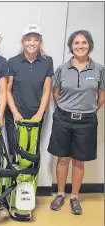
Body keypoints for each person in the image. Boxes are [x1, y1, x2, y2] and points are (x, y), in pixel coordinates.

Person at [48, 30, 104, 215]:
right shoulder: (62, 69)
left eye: (84, 43)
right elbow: (56, 93)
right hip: (63, 119)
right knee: (63, 159)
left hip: (86, 121)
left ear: (89, 45)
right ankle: (60, 194)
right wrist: (66, 107)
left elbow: (101, 96)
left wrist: (89, 110)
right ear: (71, 46)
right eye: (76, 43)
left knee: (79, 161)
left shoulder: (99, 69)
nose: (80, 46)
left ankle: (74, 197)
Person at [5, 24, 54, 156]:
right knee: (14, 152)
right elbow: (7, 90)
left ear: (40, 42)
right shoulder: (13, 62)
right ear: (22, 41)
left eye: (36, 40)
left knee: (31, 152)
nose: (32, 43)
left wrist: (39, 114)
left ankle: (29, 177)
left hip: (35, 116)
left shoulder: (47, 62)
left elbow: (46, 91)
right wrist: (15, 113)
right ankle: (14, 177)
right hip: (15, 116)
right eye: (28, 39)